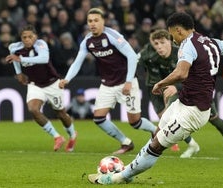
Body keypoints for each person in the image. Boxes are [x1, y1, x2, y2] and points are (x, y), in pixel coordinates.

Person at [88, 12, 223, 184]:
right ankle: (127, 175)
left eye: (171, 34)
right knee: (156, 135)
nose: (172, 39)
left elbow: (181, 73)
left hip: (194, 112)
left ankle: (114, 179)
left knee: (156, 146)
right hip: (183, 103)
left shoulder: (187, 45)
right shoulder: (210, 42)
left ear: (178, 30)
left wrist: (160, 84)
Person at [59, 8, 157, 154]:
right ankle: (126, 142)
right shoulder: (87, 41)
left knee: (135, 122)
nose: (93, 24)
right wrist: (66, 79)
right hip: (107, 84)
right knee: (98, 118)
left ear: (103, 21)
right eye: (90, 21)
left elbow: (131, 56)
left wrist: (129, 81)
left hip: (126, 82)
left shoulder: (113, 36)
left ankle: (156, 130)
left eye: (96, 20)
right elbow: (77, 62)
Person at [141, 28, 223, 158]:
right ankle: (192, 145)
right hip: (177, 92)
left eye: (162, 42)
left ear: (170, 41)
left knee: (214, 119)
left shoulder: (183, 52)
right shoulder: (152, 57)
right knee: (170, 116)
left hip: (198, 90)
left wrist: (176, 86)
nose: (159, 47)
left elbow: (193, 76)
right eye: (156, 44)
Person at [5, 25, 77, 152]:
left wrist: (21, 59)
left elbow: (44, 59)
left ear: (36, 37)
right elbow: (14, 58)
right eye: (24, 37)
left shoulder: (41, 44)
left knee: (61, 113)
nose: (27, 39)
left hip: (52, 83)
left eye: (30, 37)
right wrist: (19, 73)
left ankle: (72, 135)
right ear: (21, 38)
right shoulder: (14, 47)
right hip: (35, 84)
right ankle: (57, 137)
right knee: (33, 109)